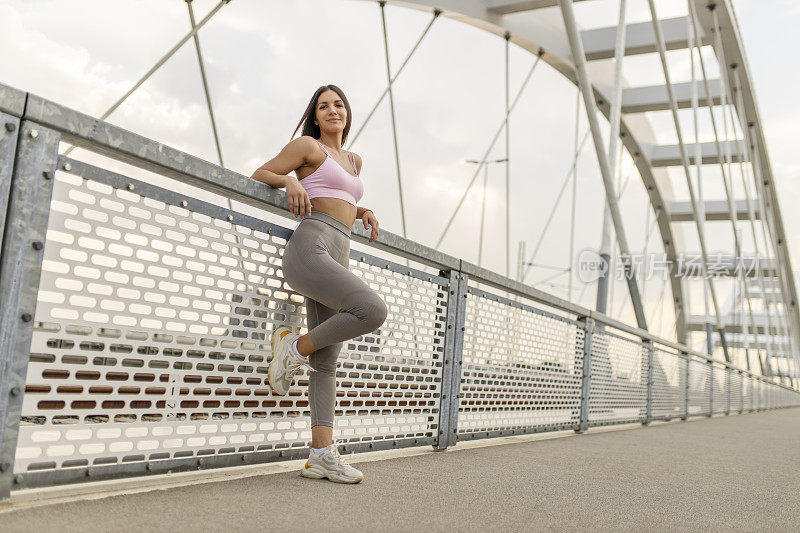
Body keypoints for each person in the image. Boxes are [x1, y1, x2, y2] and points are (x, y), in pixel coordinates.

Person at [249, 84, 389, 483]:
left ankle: (321, 456)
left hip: (339, 247)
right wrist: (289, 182)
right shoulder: (308, 147)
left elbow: (337, 194)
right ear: (315, 115)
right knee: (372, 309)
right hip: (310, 248)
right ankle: (293, 347)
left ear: (347, 113)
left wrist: (363, 210)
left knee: (326, 364)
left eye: (339, 104)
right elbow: (262, 172)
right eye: (324, 106)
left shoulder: (354, 159)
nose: (332, 110)